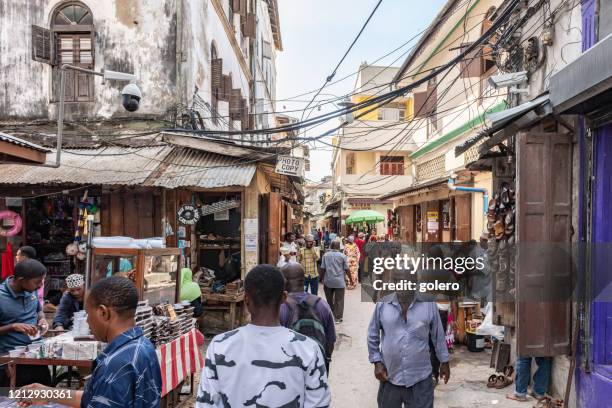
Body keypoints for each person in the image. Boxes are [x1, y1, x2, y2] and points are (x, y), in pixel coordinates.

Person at [196, 264, 331, 407]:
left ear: (246, 299)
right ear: (284, 298)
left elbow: (205, 404)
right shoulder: (308, 349)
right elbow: (319, 403)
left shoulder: (219, 346)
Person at [21, 276, 162, 408]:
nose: (87, 321)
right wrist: (48, 393)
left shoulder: (116, 364)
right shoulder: (143, 345)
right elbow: (94, 397)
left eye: (88, 314)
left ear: (103, 312)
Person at [367, 267, 450, 408]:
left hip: (420, 378)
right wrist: (377, 362)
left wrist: (444, 361)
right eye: (396, 280)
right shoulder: (382, 304)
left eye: (405, 281)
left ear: (414, 281)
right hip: (390, 376)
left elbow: (438, 336)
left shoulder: (428, 304)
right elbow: (372, 335)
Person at [0, 259, 50, 387]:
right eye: (37, 282)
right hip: (11, 361)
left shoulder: (30, 291)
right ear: (21, 280)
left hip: (37, 356)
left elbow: (38, 310)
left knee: (44, 398)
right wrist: (12, 326)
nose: (39, 286)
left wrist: (42, 318)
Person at [279, 263, 336, 372]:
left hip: (290, 370)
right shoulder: (321, 304)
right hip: (318, 367)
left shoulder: (281, 307)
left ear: (284, 282)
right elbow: (330, 339)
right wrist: (326, 360)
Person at [320, 241, 349, 323]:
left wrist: (320, 278)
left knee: (329, 299)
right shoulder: (343, 256)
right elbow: (347, 269)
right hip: (339, 282)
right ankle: (338, 317)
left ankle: (332, 313)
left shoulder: (325, 255)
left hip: (328, 281)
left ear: (331, 246)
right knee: (339, 300)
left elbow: (322, 268)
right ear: (339, 247)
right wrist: (350, 278)